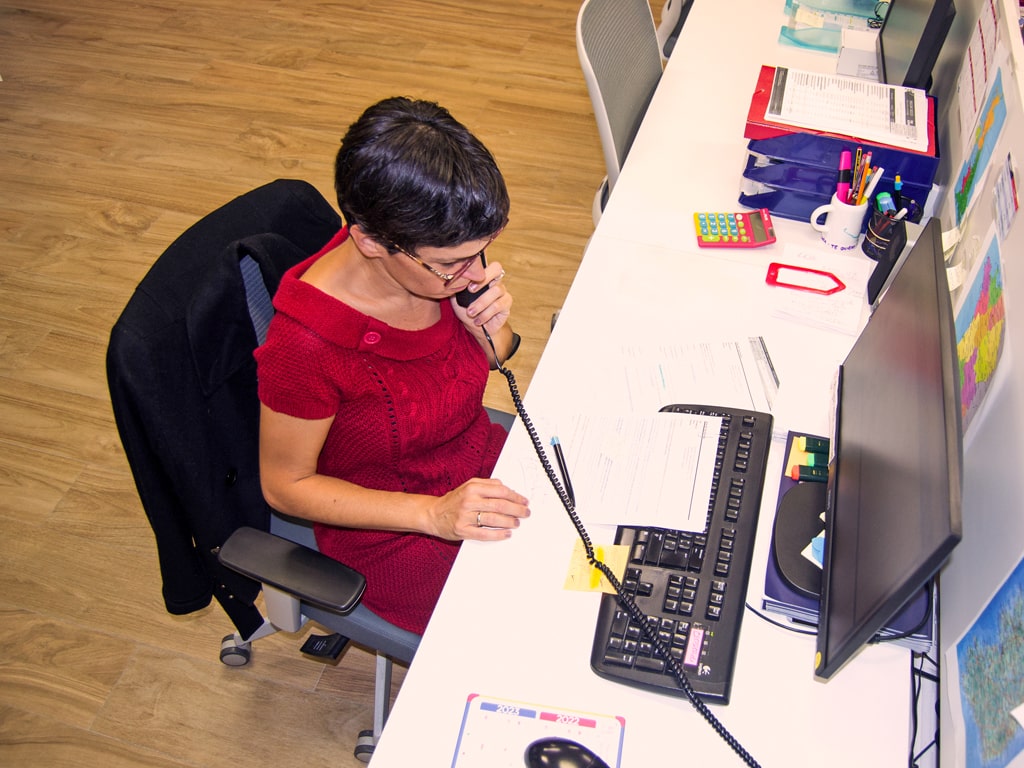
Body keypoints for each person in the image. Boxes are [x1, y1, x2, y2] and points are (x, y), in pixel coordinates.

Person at [255, 97, 531, 636]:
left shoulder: (426, 261)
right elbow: (284, 487)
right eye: (451, 262)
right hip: (395, 527)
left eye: (483, 250)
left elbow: (490, 357)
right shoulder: (306, 345)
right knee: (523, 627)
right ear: (370, 241)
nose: (472, 272)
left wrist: (488, 329)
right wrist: (433, 515)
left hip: (473, 462)